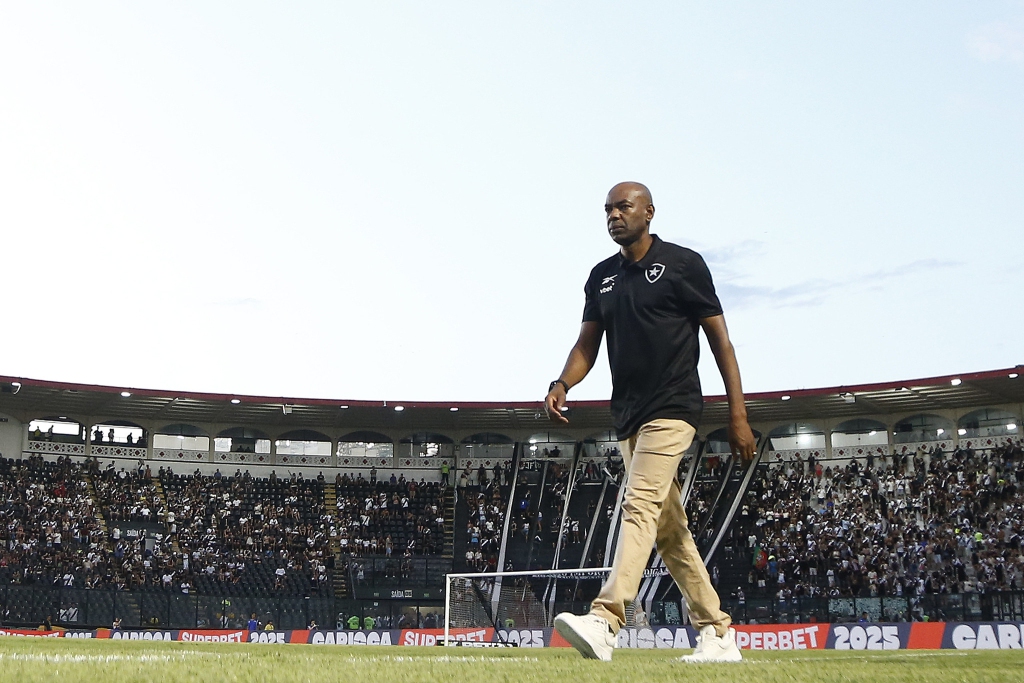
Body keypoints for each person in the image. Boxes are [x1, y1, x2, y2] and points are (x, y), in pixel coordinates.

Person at [545, 182, 755, 663]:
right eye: (607, 209)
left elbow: (722, 342)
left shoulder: (684, 264)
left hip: (674, 407)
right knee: (668, 528)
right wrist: (561, 383)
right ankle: (718, 633)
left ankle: (606, 619)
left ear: (649, 212)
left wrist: (738, 414)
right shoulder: (601, 277)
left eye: (623, 206)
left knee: (638, 506)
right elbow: (586, 347)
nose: (614, 215)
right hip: (628, 417)